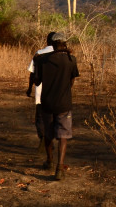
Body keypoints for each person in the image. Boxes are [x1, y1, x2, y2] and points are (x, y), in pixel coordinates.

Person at [33, 32, 79, 180]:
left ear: (51, 45)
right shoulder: (71, 60)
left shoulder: (42, 60)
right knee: (63, 136)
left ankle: (49, 161)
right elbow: (72, 81)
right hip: (64, 103)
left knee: (48, 134)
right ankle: (60, 168)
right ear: (65, 44)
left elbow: (37, 82)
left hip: (47, 102)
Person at [26, 32, 57, 157]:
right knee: (53, 117)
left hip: (41, 91)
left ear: (47, 41)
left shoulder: (39, 53)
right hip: (56, 92)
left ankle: (44, 137)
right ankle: (49, 139)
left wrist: (29, 88)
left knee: (40, 117)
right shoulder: (61, 55)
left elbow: (32, 74)